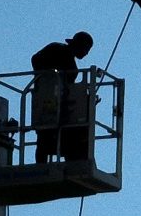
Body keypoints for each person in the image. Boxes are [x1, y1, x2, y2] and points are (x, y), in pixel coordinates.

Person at [30, 31, 94, 162]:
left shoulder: (71, 63)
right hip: (48, 99)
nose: (86, 53)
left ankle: (68, 162)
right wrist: (49, 76)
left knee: (63, 136)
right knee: (45, 135)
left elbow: (69, 86)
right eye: (85, 49)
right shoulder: (56, 49)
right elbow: (35, 59)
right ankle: (43, 165)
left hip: (61, 103)